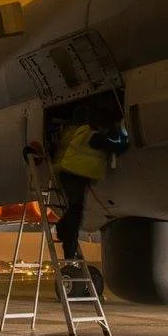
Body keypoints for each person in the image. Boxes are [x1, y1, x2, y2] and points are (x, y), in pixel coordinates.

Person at [53, 104, 129, 261]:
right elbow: (117, 147)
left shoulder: (83, 131)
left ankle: (64, 232)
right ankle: (67, 240)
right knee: (76, 211)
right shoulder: (95, 138)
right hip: (74, 176)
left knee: (76, 209)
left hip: (70, 174)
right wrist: (127, 139)